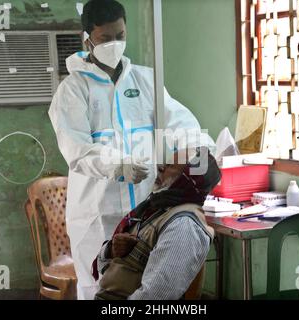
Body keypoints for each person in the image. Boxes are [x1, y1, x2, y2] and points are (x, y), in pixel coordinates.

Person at [48, 0, 214, 299]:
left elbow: (181, 123)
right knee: (102, 290)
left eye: (120, 36)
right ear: (87, 38)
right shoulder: (73, 90)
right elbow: (78, 150)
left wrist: (197, 152)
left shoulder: (146, 79)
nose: (114, 44)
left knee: (146, 289)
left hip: (145, 211)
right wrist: (118, 165)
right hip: (98, 216)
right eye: (105, 38)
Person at [93, 148, 220, 300]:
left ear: (187, 178)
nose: (160, 168)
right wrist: (111, 251)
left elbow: (155, 297)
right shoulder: (153, 209)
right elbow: (102, 267)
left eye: (170, 166)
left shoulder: (184, 226)